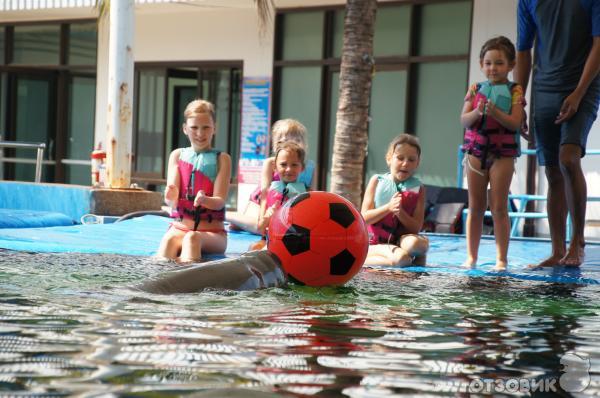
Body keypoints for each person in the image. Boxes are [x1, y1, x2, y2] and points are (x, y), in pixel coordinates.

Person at [515, 0, 600, 267]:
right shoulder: (527, 1)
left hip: (583, 87)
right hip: (544, 89)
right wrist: (518, 100)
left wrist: (578, 92)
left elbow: (599, 44)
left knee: (569, 159)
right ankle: (556, 249)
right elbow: (523, 50)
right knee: (552, 170)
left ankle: (577, 242)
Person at [461, 36, 525, 271]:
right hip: (475, 154)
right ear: (480, 64)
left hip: (502, 155)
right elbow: (464, 120)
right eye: (488, 63)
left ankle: (501, 259)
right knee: (475, 207)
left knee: (499, 208)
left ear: (510, 65)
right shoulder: (475, 89)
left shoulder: (515, 90)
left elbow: (515, 123)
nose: (493, 68)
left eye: (499, 63)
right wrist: (478, 112)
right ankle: (471, 257)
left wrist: (495, 112)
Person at [157, 99, 232, 263]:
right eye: (194, 128)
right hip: (181, 227)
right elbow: (171, 201)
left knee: (192, 238)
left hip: (213, 234)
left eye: (206, 127)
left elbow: (219, 202)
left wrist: (205, 200)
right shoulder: (177, 156)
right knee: (169, 240)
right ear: (185, 129)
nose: (200, 133)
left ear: (214, 128)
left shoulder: (222, 159)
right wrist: (171, 195)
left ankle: (187, 286)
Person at [227, 119, 315, 234]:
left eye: (297, 141)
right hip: (263, 201)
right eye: (285, 141)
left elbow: (314, 196)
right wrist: (262, 218)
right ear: (276, 145)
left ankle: (241, 223)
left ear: (304, 145)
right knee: (261, 228)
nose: (291, 144)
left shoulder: (310, 167)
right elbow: (264, 193)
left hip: (290, 207)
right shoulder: (270, 163)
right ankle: (227, 215)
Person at [361, 134, 429, 267]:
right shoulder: (376, 181)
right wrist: (388, 208)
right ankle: (362, 260)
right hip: (376, 243)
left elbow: (415, 227)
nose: (405, 163)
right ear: (389, 158)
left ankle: (402, 259)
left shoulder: (418, 188)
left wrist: (400, 212)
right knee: (402, 259)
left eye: (411, 160)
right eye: (400, 158)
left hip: (400, 241)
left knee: (419, 245)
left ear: (417, 163)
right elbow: (364, 218)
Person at [249, 141, 307, 250]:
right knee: (253, 247)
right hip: (272, 242)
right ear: (275, 167)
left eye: (294, 165)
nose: (289, 169)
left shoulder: (307, 194)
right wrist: (268, 216)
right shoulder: (269, 193)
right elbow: (261, 228)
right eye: (283, 164)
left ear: (302, 168)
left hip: (295, 243)